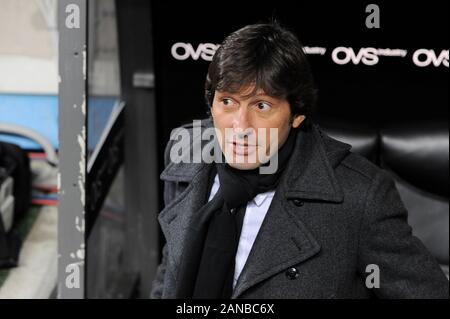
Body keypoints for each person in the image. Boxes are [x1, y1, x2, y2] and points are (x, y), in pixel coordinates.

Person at [150, 22, 449, 298]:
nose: (240, 127)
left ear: (297, 115)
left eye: (262, 105)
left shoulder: (360, 198)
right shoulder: (186, 152)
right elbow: (171, 268)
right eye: (227, 102)